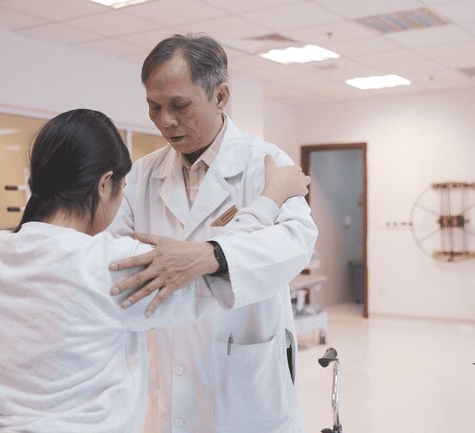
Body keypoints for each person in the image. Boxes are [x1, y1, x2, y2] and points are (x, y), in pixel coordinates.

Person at [0, 109, 310, 432]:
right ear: (104, 184)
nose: (165, 118)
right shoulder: (111, 264)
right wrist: (270, 199)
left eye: (178, 104)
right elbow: (215, 268)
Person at [107, 34, 318, 432]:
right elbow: (118, 263)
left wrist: (211, 256)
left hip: (247, 382)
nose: (165, 120)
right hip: (167, 377)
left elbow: (296, 242)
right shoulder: (142, 175)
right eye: (154, 106)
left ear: (220, 96)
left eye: (179, 105)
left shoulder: (265, 163)